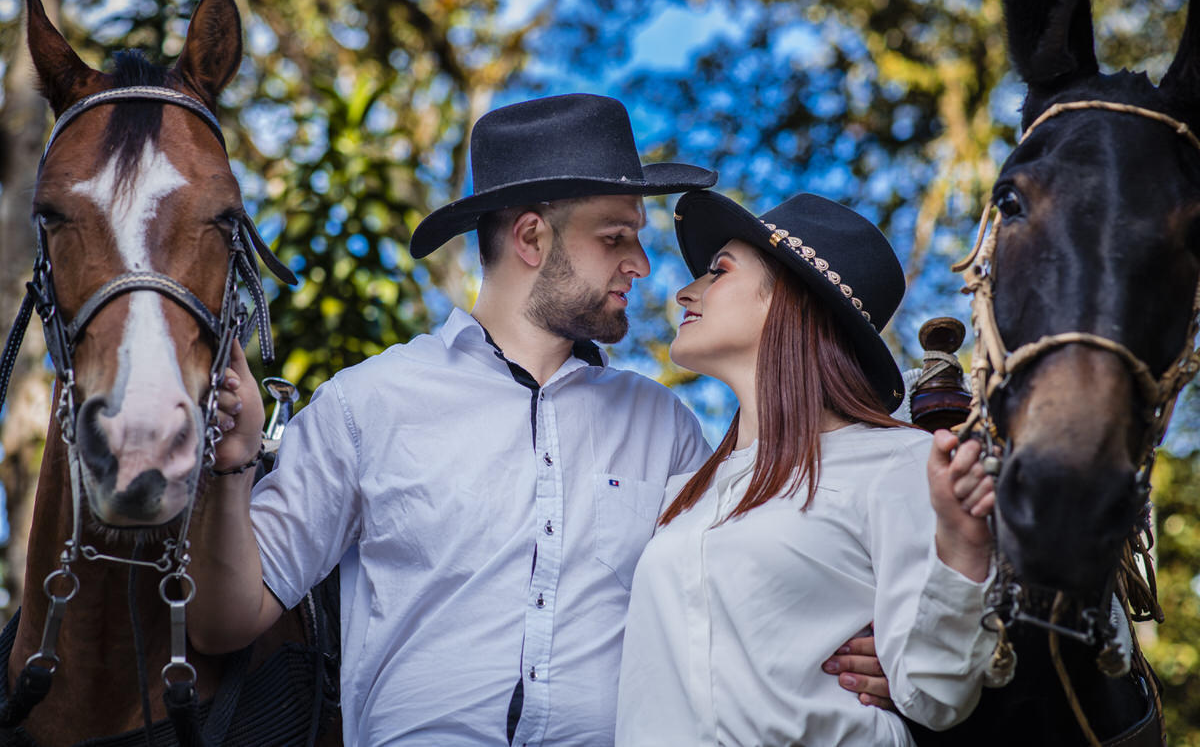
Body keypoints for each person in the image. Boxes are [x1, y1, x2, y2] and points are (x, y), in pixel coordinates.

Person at [189, 93, 888, 746]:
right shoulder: (368, 404)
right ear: (531, 237)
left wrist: (880, 645)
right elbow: (223, 622)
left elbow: (745, 598)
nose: (642, 265)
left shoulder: (666, 428)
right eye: (616, 237)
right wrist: (232, 465)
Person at [614, 190, 997, 746]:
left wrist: (963, 548)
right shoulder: (684, 493)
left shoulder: (900, 465)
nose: (684, 291)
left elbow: (936, 694)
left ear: (788, 299)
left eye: (718, 272)